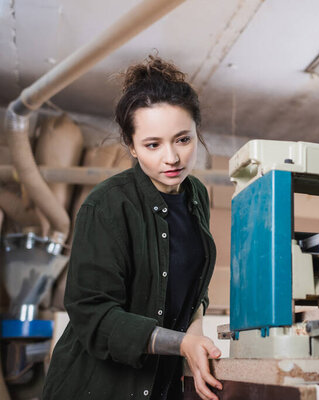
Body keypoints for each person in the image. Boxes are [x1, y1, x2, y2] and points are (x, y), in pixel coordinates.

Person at [42, 55, 222, 400]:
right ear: (132, 147)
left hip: (160, 383)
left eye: (183, 140)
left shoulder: (196, 194)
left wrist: (195, 340)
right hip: (96, 386)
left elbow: (193, 290)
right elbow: (92, 313)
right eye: (153, 145)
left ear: (197, 134)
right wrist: (182, 343)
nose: (171, 158)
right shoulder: (107, 205)